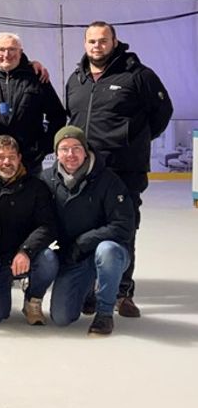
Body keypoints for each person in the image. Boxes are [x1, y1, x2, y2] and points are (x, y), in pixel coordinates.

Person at [65, 21, 173, 318]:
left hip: (125, 170)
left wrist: (134, 141)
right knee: (86, 227)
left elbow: (162, 113)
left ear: (114, 42)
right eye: (91, 41)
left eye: (102, 40)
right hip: (86, 171)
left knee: (123, 229)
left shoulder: (138, 76)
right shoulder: (76, 79)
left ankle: (122, 293)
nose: (96, 46)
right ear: (85, 44)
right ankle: (90, 289)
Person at [42, 127, 133, 336]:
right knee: (62, 317)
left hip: (108, 252)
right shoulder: (47, 180)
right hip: (74, 258)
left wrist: (83, 242)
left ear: (85, 150)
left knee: (107, 251)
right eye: (64, 149)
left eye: (76, 148)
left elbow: (123, 225)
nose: (70, 154)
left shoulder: (108, 180)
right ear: (56, 153)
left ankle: (104, 313)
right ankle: (86, 290)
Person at [0, 135, 59, 325]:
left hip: (25, 255)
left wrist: (26, 250)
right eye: (1, 156)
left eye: (12, 157)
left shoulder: (36, 187)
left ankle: (33, 299)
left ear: (19, 158)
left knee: (49, 258)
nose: (7, 162)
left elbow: (47, 225)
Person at [0, 32, 67, 175]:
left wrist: (44, 147)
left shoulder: (37, 78)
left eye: (12, 49)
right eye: (1, 49)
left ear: (20, 52)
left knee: (31, 197)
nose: (7, 54)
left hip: (29, 161)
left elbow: (58, 116)